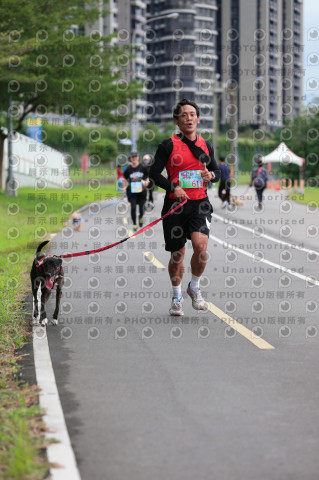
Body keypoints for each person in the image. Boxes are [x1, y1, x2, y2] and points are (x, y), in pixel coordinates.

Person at [150, 98, 220, 316]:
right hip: (175, 205)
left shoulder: (206, 145)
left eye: (192, 114)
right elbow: (153, 174)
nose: (189, 118)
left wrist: (211, 175)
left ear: (198, 119)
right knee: (177, 255)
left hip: (200, 203)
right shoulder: (168, 145)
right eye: (184, 115)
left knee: (201, 247)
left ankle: (195, 286)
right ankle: (177, 295)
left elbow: (216, 173)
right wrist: (173, 187)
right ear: (177, 121)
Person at [123, 151, 149, 231]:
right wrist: (124, 188)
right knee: (133, 207)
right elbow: (125, 179)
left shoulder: (143, 167)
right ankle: (134, 224)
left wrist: (146, 182)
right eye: (132, 157)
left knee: (141, 208)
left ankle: (140, 217)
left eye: (135, 157)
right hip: (132, 192)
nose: (134, 158)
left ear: (138, 157)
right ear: (130, 159)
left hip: (142, 192)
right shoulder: (128, 169)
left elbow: (147, 177)